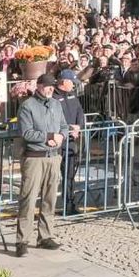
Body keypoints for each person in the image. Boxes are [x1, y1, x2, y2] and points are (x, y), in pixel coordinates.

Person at [16, 75, 69, 257]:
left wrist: (61, 136)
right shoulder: (27, 106)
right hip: (34, 158)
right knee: (28, 199)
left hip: (53, 157)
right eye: (47, 87)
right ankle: (22, 240)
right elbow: (27, 133)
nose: (50, 90)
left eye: (52, 87)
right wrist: (49, 137)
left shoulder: (56, 104)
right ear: (39, 86)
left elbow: (64, 126)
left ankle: (45, 236)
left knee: (50, 198)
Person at [53, 70, 86, 215]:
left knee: (69, 175)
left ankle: (69, 204)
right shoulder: (53, 97)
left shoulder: (73, 95)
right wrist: (67, 129)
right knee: (52, 176)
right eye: (71, 82)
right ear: (63, 82)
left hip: (72, 141)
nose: (73, 85)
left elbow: (80, 112)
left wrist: (79, 126)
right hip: (58, 141)